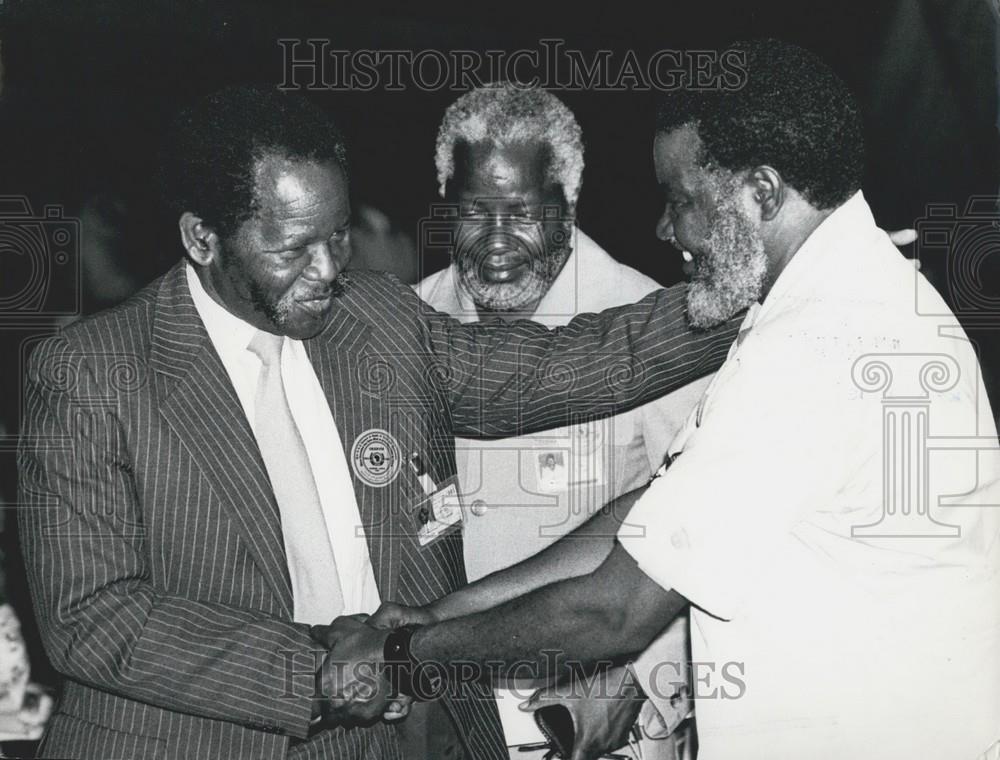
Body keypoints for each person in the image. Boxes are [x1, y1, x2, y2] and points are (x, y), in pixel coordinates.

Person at [16, 85, 741, 760]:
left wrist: (751, 282)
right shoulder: (90, 371)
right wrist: (323, 675)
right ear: (203, 239)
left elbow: (573, 364)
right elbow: (92, 615)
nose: (330, 269)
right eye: (294, 248)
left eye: (337, 237)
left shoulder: (376, 317)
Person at [321, 39, 1000, 760]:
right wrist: (437, 613)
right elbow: (650, 514)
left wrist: (407, 655)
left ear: (762, 192)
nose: (665, 230)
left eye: (682, 201)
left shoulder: (820, 345)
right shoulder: (831, 308)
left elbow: (616, 610)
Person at [415, 83, 709, 758]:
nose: (494, 242)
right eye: (471, 212)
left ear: (567, 204)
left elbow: (711, 536)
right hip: (445, 718)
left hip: (596, 722)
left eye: (520, 213)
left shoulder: (656, 324)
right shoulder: (408, 323)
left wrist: (641, 680)